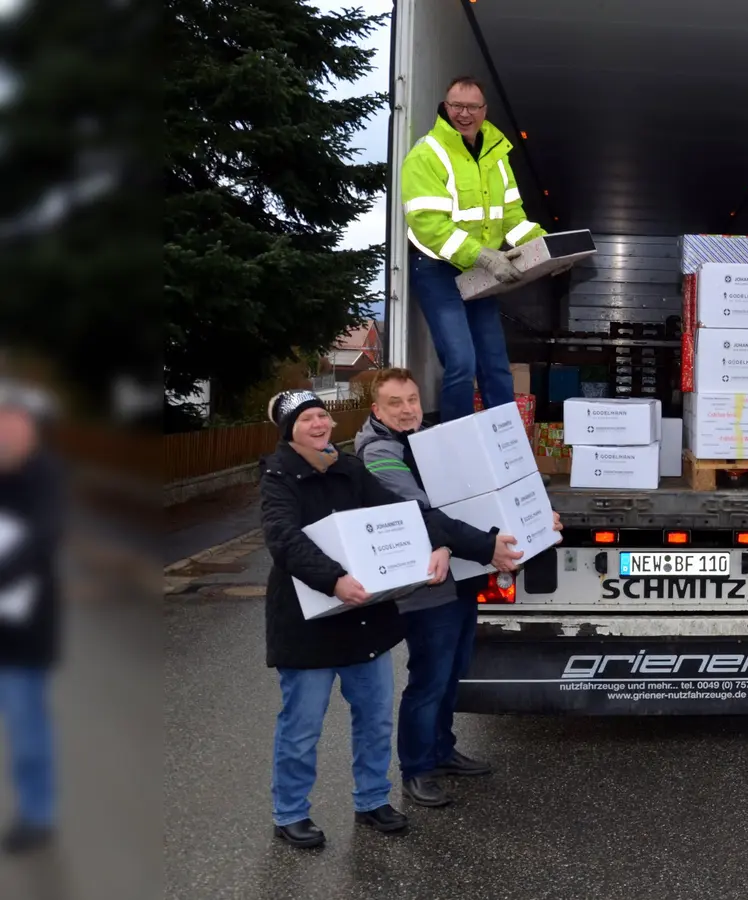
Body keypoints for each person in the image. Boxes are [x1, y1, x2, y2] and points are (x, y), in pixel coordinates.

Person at [260, 390, 505, 848]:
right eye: (305, 419)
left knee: (374, 719)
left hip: (365, 618)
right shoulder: (278, 478)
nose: (318, 424)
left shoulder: (352, 469)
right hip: (308, 624)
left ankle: (372, 800)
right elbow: (283, 540)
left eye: (321, 415)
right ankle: (290, 812)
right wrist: (333, 580)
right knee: (302, 727)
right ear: (289, 431)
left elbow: (405, 514)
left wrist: (451, 544)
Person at [355, 368, 562, 808]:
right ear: (377, 409)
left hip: (463, 574)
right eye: (395, 402)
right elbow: (421, 512)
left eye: (412, 398)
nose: (408, 408)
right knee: (428, 678)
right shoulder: (380, 452)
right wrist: (486, 544)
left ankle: (442, 750)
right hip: (425, 585)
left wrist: (536, 520)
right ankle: (417, 768)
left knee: (451, 672)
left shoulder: (428, 440)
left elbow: (478, 495)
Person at [401, 75, 548, 422]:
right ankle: (460, 458)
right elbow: (428, 224)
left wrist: (546, 247)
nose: (463, 114)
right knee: (461, 363)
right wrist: (483, 255)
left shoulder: (497, 156)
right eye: (456, 106)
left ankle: (508, 463)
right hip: (438, 269)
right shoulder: (427, 153)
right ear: (445, 106)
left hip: (481, 270)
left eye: (471, 107)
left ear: (484, 110)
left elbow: (513, 218)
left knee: (495, 366)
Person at [0, 379, 61, 854]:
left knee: (27, 731)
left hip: (23, 635)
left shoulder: (45, 477)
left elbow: (43, 541)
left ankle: (37, 815)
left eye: (15, 423)